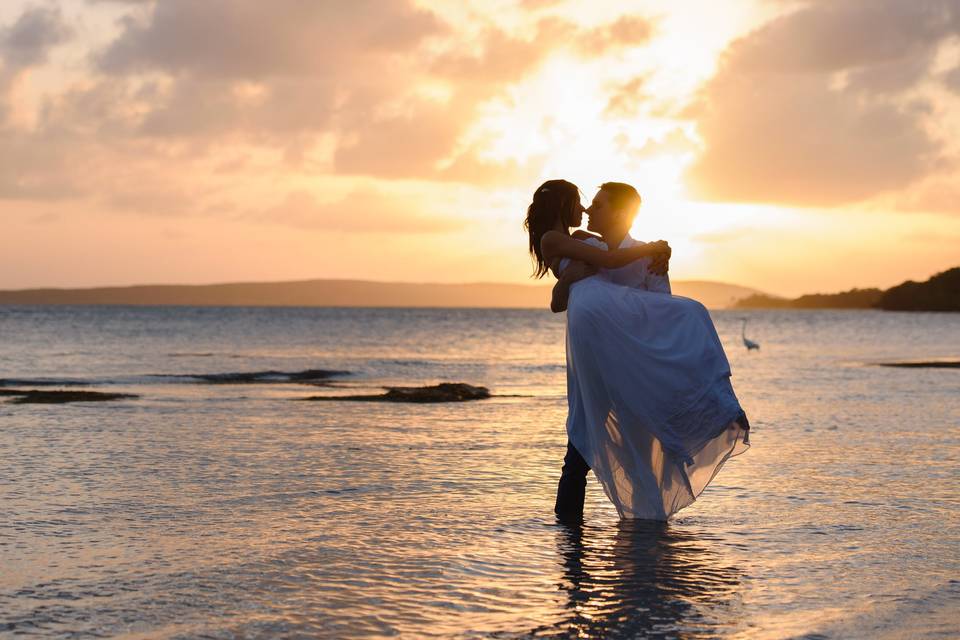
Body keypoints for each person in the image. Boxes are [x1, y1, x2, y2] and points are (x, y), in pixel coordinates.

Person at [524, 179, 749, 520]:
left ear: (618, 213)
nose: (585, 210)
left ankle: (644, 524)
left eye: (595, 205)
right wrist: (573, 278)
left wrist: (654, 251)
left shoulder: (595, 244)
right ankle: (571, 532)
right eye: (582, 203)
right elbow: (566, 294)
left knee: (639, 444)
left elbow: (657, 305)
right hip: (597, 343)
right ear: (561, 205)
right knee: (582, 435)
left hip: (624, 347)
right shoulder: (572, 244)